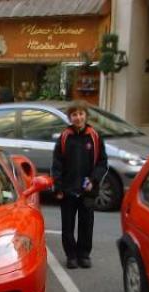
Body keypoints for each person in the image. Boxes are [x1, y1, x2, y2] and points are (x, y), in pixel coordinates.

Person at [51, 100, 108, 269]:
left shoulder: (94, 136)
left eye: (81, 114)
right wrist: (58, 188)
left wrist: (93, 180)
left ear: (86, 115)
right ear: (70, 117)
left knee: (86, 224)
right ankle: (71, 255)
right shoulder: (64, 137)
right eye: (74, 114)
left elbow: (102, 162)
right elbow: (57, 165)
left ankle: (84, 255)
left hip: (87, 190)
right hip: (68, 190)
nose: (78, 117)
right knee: (67, 226)